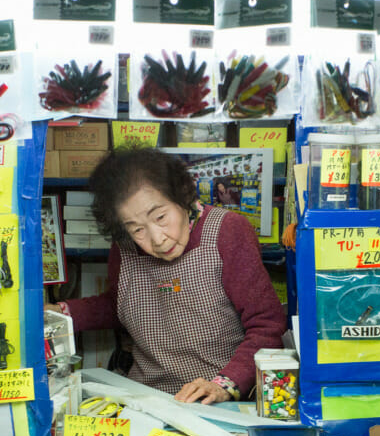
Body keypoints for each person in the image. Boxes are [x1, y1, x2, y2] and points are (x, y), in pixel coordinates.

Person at [47, 147, 285, 404]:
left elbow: (267, 327)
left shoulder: (228, 231)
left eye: (161, 217)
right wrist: (62, 313)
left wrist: (225, 384)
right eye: (138, 229)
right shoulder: (125, 248)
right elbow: (120, 304)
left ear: (182, 196)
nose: (157, 239)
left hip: (219, 399)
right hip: (147, 398)